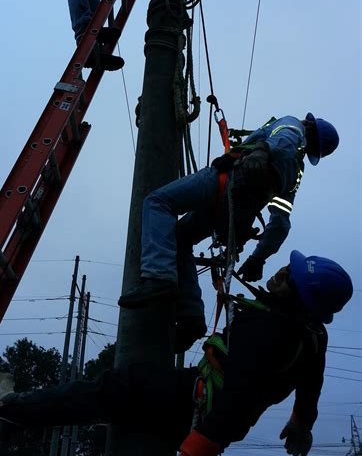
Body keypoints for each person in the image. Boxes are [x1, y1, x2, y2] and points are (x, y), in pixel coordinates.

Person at [0, 251, 353, 456]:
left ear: (302, 298)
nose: (280, 271)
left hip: (197, 405)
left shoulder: (270, 331)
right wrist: (300, 424)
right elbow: (312, 387)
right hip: (198, 398)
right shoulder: (312, 334)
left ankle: (13, 408)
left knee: (112, 387)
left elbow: (236, 405)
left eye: (289, 275)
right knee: (128, 392)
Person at [118, 113, 339, 353]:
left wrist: (262, 150)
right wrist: (258, 258)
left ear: (309, 126)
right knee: (181, 241)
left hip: (225, 181)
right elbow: (280, 223)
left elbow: (286, 135)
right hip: (233, 214)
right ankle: (191, 314)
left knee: (157, 202)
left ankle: (157, 277)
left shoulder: (293, 126)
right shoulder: (295, 173)